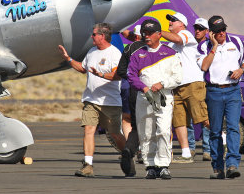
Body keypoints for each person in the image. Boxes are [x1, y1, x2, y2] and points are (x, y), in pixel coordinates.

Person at [58, 23, 126, 178]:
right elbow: (83, 69)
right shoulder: (91, 51)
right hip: (91, 99)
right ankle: (87, 165)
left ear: (102, 36)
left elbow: (117, 75)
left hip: (110, 102)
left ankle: (127, 154)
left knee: (115, 134)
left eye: (94, 34)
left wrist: (100, 75)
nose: (92, 36)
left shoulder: (114, 54)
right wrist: (68, 59)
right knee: (89, 130)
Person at [197, 15, 244, 179]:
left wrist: (241, 70)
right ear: (210, 33)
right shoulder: (203, 46)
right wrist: (213, 46)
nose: (221, 33)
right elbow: (204, 66)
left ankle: (233, 164)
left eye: (223, 29)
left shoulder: (236, 42)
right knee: (215, 131)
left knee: (234, 128)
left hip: (233, 91)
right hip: (213, 92)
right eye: (217, 31)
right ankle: (217, 167)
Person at [128, 19, 182, 180]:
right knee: (146, 132)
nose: (147, 36)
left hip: (164, 98)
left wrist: (162, 84)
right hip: (144, 98)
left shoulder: (171, 53)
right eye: (144, 33)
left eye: (150, 33)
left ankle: (163, 165)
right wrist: (144, 88)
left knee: (164, 130)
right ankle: (150, 165)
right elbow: (131, 76)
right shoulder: (137, 54)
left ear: (159, 34)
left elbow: (178, 77)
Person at [161, 13, 209, 164]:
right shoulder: (170, 45)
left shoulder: (186, 34)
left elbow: (177, 39)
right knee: (179, 121)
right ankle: (186, 153)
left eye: (173, 20)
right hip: (176, 86)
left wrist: (157, 31)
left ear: (181, 24)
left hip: (192, 84)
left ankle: (221, 144)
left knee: (202, 117)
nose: (170, 22)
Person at [117, 25, 146, 177]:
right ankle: (143, 151)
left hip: (127, 87)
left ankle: (130, 148)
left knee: (127, 119)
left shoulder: (128, 48)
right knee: (145, 120)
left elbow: (120, 71)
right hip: (144, 88)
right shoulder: (150, 48)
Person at [187, 18, 211, 161]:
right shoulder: (189, 44)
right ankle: (190, 148)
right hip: (190, 84)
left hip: (205, 84)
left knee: (205, 117)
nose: (197, 31)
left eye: (201, 29)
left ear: (207, 31)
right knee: (188, 118)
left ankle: (207, 150)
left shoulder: (209, 45)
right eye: (196, 28)